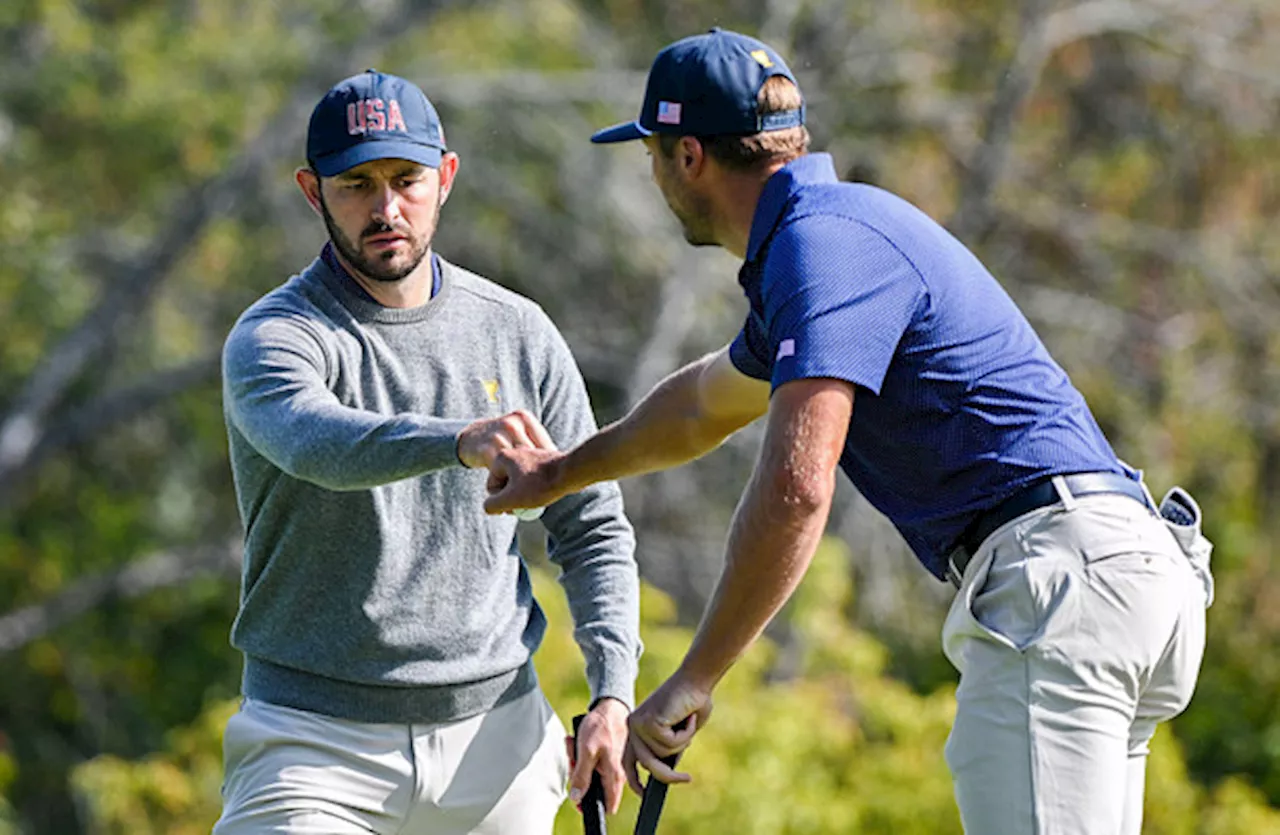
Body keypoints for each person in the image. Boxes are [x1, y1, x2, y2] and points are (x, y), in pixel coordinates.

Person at [484, 28, 1214, 835]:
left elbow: (797, 488)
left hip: (1062, 583)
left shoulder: (817, 247)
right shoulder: (832, 231)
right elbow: (700, 407)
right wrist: (559, 472)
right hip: (1122, 574)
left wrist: (695, 676)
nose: (654, 174)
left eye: (654, 153)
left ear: (688, 156)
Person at [215, 69, 641, 835]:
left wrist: (613, 692)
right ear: (313, 192)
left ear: (445, 177)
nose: (386, 208)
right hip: (313, 743)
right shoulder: (274, 337)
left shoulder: (518, 330)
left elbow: (592, 526)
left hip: (499, 742)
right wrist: (457, 439)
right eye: (357, 185)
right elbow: (321, 442)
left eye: (406, 179)